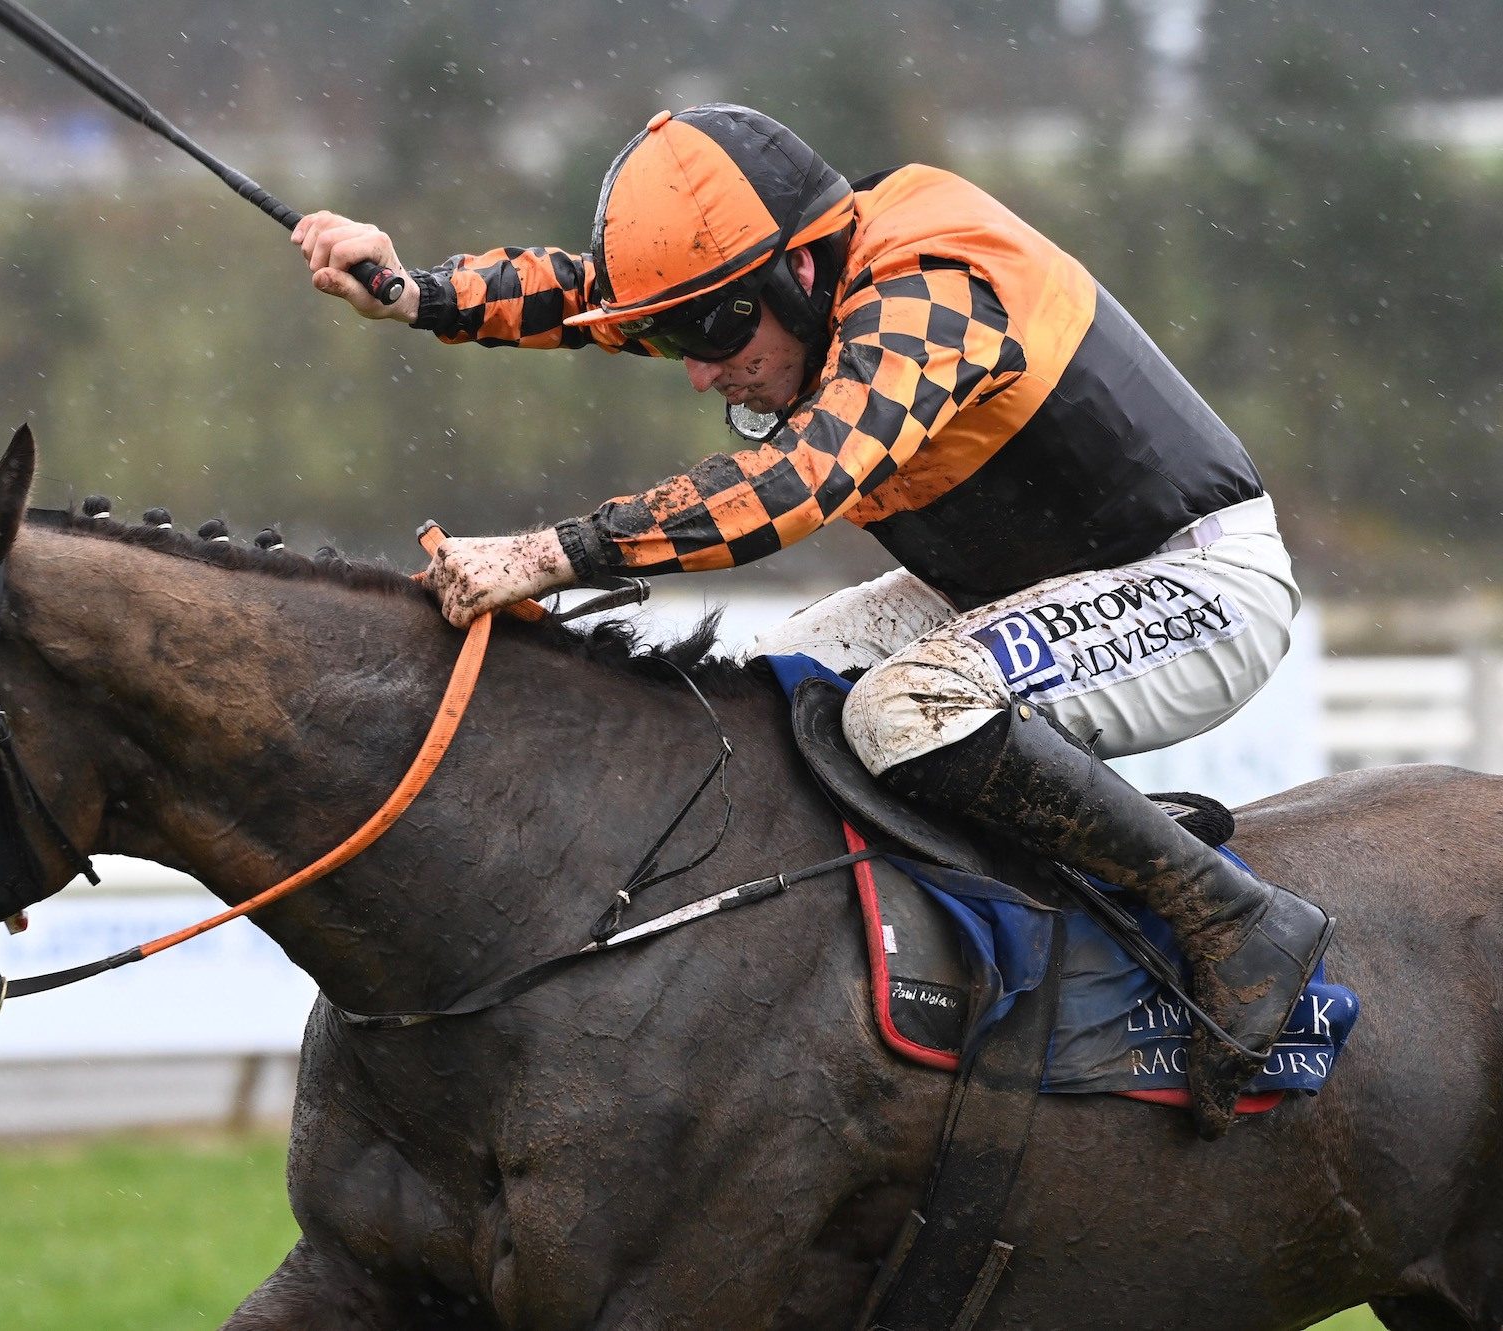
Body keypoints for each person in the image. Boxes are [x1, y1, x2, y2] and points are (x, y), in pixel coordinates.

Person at [292, 103, 1329, 1139]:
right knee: (753, 695)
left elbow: (796, 482)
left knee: (907, 711)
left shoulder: (936, 287)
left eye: (712, 332)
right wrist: (412, 291)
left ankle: (1236, 920)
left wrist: (545, 556)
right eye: (671, 338)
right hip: (1008, 590)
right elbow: (594, 295)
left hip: (1192, 581)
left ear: (800, 271)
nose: (699, 369)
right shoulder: (793, 281)